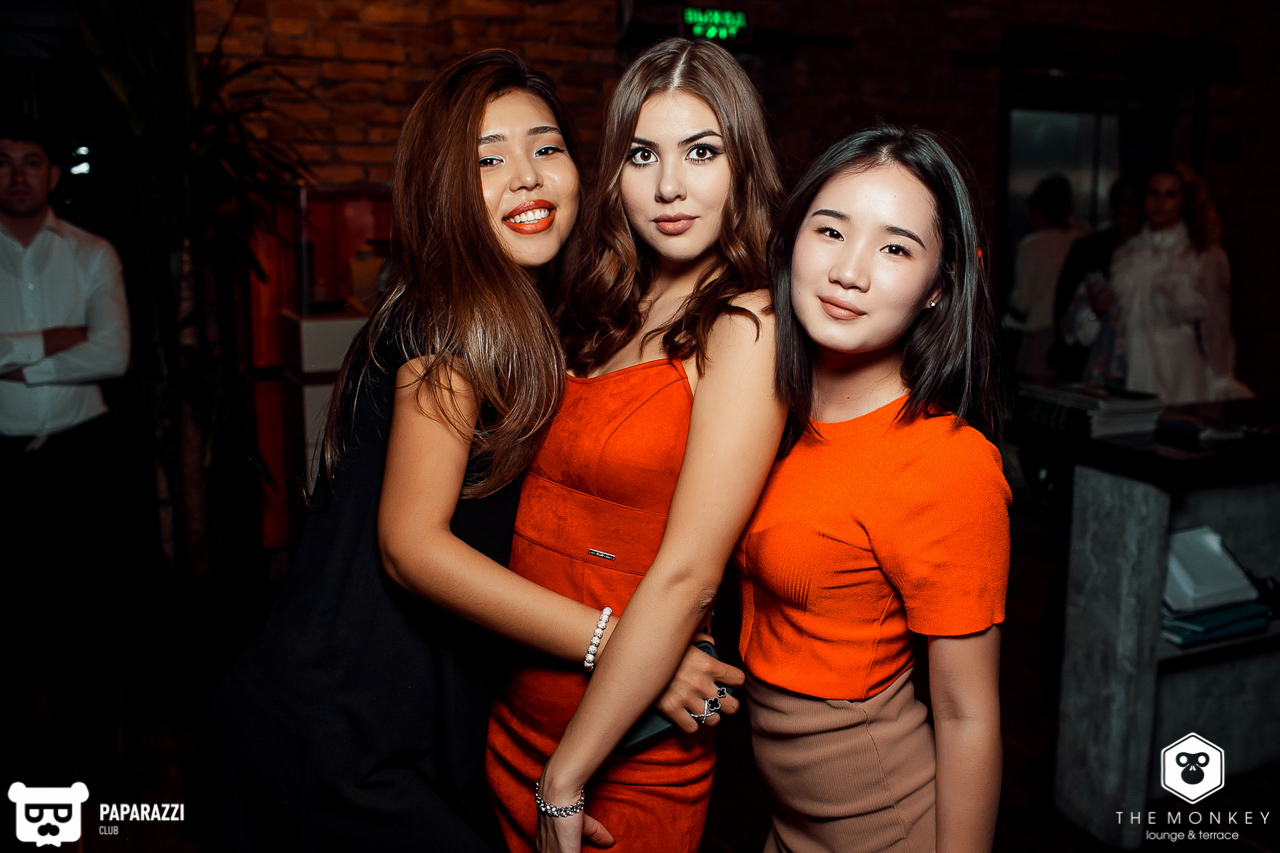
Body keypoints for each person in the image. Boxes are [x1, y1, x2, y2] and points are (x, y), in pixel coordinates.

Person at [199, 50, 586, 851]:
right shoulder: (452, 330)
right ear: (442, 189)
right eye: (487, 160)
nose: (527, 176)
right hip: (337, 735)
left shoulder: (494, 316)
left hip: (376, 718)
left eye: (546, 147)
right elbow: (412, 547)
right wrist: (615, 645)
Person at [482, 38, 785, 853]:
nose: (670, 185)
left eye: (702, 151)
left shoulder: (747, 324)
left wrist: (563, 781)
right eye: (644, 154)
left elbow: (688, 577)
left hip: (620, 756)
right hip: (513, 720)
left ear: (743, 166)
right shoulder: (598, 302)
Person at [735, 126, 1009, 853]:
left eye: (895, 249)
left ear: (939, 287)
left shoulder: (946, 460)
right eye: (830, 231)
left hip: (884, 829)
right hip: (786, 825)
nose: (849, 271)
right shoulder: (765, 417)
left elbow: (968, 715)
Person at [1, 120, 131, 785]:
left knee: (88, 615)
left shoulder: (91, 252)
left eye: (31, 161)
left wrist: (13, 361)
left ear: (53, 174)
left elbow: (113, 353)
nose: (17, 174)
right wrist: (54, 339)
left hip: (80, 457)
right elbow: (87, 344)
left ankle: (98, 761)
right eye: (3, 162)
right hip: (3, 461)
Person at [1093, 163, 1249, 404]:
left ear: (1184, 201)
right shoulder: (1127, 253)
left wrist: (1221, 376)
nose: (1159, 203)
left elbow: (1216, 323)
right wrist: (1098, 310)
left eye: (1170, 195)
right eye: (1153, 193)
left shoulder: (1202, 255)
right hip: (1131, 365)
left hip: (1178, 369)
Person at [1049, 175, 1143, 381]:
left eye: (1134, 202)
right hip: (1090, 363)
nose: (1128, 210)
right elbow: (1063, 310)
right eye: (1123, 202)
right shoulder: (1088, 250)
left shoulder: (1155, 254)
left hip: (1141, 361)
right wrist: (1094, 311)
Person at [1005, 173, 1086, 380]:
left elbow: (1023, 302)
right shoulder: (1081, 239)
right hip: (1075, 339)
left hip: (1041, 338)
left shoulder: (1033, 245)